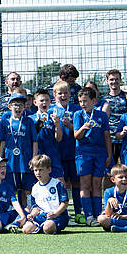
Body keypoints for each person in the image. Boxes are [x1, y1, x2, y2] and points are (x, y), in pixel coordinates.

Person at [72, 87, 111, 227]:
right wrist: (83, 128)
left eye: (85, 101)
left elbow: (107, 136)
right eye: (80, 101)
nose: (83, 104)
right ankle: (88, 216)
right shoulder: (78, 115)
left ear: (94, 101)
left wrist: (109, 154)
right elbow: (76, 136)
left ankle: (97, 215)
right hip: (83, 154)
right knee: (85, 184)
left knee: (97, 185)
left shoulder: (102, 115)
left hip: (99, 153)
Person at [49, 81, 81, 222]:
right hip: (57, 153)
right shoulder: (50, 110)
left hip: (74, 152)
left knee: (76, 182)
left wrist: (71, 125)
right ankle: (63, 213)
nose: (63, 96)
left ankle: (79, 212)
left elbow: (80, 131)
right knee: (61, 184)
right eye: (60, 93)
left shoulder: (76, 109)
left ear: (70, 94)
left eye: (66, 93)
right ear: (54, 95)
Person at [0, 92, 38, 204]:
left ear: (24, 107)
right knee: (11, 188)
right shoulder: (5, 122)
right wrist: (1, 158)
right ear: (9, 106)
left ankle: (29, 208)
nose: (18, 108)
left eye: (21, 105)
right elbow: (2, 141)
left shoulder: (29, 121)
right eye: (15, 105)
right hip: (10, 161)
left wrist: (34, 158)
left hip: (25, 160)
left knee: (27, 189)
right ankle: (11, 209)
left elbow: (34, 141)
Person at [18, 154, 69, 234]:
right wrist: (32, 215)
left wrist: (55, 214)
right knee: (26, 229)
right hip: (43, 216)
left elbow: (64, 203)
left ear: (49, 169)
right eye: (35, 170)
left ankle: (44, 227)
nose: (38, 173)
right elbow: (36, 207)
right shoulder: (35, 188)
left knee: (48, 227)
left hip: (58, 215)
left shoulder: (57, 184)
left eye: (41, 170)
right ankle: (41, 227)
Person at [31, 88, 63, 180]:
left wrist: (57, 124)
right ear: (35, 102)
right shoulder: (31, 119)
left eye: (47, 100)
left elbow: (58, 138)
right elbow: (30, 138)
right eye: (41, 101)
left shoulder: (54, 118)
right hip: (38, 156)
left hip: (53, 156)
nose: (44, 103)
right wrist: (39, 124)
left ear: (50, 102)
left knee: (60, 181)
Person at [100, 69, 127, 172]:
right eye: (111, 79)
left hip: (125, 138)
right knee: (110, 170)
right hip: (109, 140)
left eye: (116, 79)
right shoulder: (103, 100)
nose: (114, 82)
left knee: (126, 169)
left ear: (120, 80)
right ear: (107, 81)